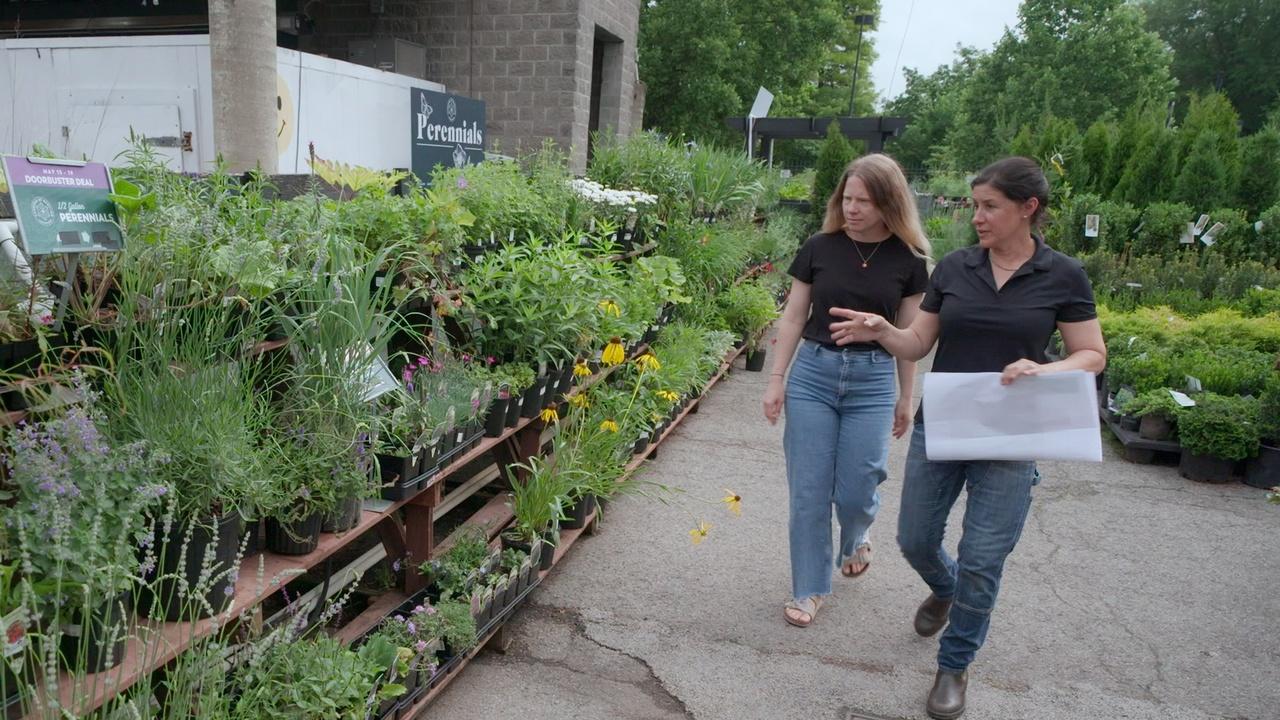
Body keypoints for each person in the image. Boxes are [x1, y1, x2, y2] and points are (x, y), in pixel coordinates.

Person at [828, 157, 1106, 719]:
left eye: (990, 207)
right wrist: (883, 332)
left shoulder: (1064, 275)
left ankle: (954, 666)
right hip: (946, 424)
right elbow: (917, 345)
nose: (977, 216)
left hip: (1011, 436)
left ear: (1028, 209)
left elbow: (1092, 354)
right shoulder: (955, 268)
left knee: (984, 558)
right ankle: (945, 587)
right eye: (975, 205)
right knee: (914, 538)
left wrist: (1043, 370)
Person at [762, 154, 930, 628]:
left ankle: (856, 536)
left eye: (865, 201)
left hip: (873, 381)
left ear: (889, 204)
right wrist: (777, 380)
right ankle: (810, 587)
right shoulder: (819, 247)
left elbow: (910, 335)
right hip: (813, 376)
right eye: (847, 198)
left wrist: (905, 396)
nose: (852, 209)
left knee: (859, 485)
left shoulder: (909, 261)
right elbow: (794, 316)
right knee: (809, 491)